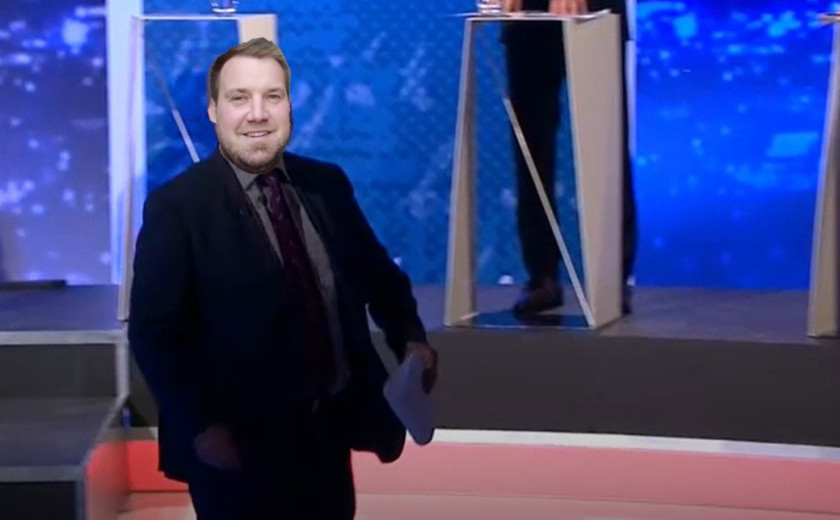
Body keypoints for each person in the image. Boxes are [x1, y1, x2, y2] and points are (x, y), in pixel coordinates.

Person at [128, 37, 438, 520]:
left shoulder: (326, 185)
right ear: (213, 111)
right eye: (239, 98)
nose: (258, 114)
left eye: (272, 96)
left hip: (327, 438)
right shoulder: (179, 207)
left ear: (290, 106)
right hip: (235, 452)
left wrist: (411, 341)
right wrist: (203, 425)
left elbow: (381, 279)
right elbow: (155, 334)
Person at [503, 0, 638, 315]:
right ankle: (542, 275)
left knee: (605, 141)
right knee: (530, 147)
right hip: (528, 16)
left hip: (594, 10)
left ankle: (612, 277)